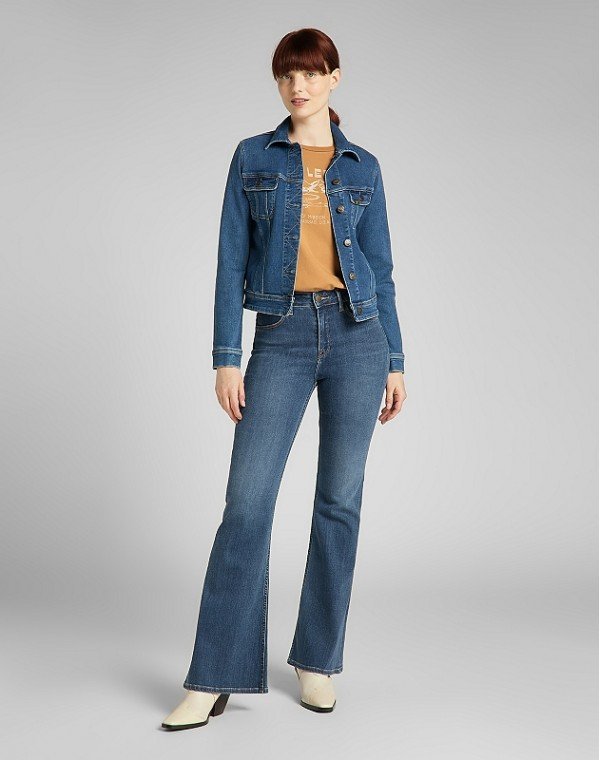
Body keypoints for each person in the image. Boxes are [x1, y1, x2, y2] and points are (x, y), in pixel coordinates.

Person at [162, 27, 407, 731]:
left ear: (334, 78)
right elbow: (228, 259)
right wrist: (225, 355)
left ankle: (317, 660)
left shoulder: (363, 166)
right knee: (247, 503)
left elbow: (381, 269)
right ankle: (214, 674)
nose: (298, 86)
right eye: (286, 75)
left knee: (339, 502)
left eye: (311, 73)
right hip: (283, 333)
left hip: (359, 336)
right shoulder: (252, 157)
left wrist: (396, 359)